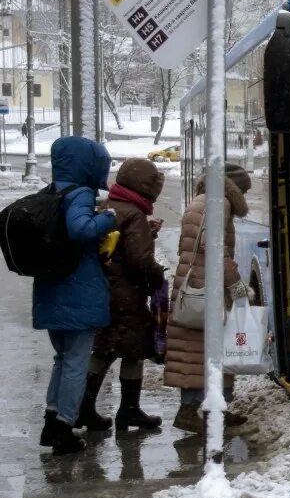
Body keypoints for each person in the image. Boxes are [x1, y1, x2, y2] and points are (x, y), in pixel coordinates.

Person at [33, 137, 118, 455]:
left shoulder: (53, 191)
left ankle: (52, 419)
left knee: (62, 359)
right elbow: (80, 229)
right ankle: (64, 428)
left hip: (54, 288)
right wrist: (108, 218)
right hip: (77, 291)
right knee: (76, 363)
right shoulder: (81, 193)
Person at [81, 158, 166, 432]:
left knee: (105, 347)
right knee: (133, 350)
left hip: (105, 290)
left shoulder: (110, 206)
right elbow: (139, 261)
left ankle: (84, 407)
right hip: (127, 295)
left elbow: (115, 249)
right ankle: (128, 411)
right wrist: (157, 277)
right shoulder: (135, 214)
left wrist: (146, 234)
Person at [165, 163, 250, 435]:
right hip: (206, 289)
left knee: (197, 350)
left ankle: (214, 410)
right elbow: (215, 250)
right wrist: (237, 287)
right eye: (244, 192)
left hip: (193, 284)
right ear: (234, 189)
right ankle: (192, 411)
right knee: (206, 350)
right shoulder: (218, 204)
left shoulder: (200, 200)